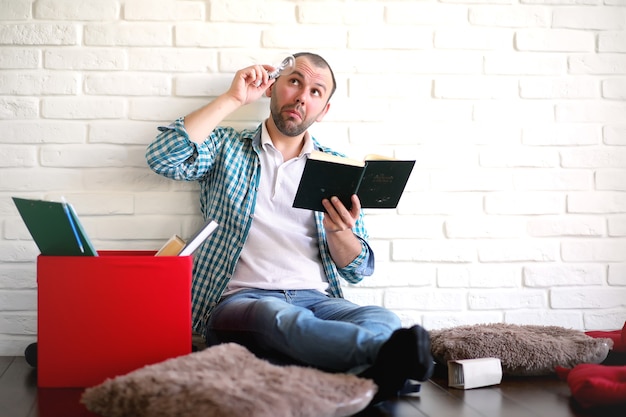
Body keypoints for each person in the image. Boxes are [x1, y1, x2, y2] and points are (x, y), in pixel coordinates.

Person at [145, 52, 434, 403]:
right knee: (278, 316)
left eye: (315, 91)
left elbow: (359, 270)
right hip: (240, 300)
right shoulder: (225, 148)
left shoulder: (337, 169)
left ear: (323, 110)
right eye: (294, 81)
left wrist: (339, 232)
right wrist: (233, 98)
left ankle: (376, 361)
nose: (301, 96)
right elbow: (164, 157)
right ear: (272, 87)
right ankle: (384, 360)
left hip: (317, 300)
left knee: (379, 315)